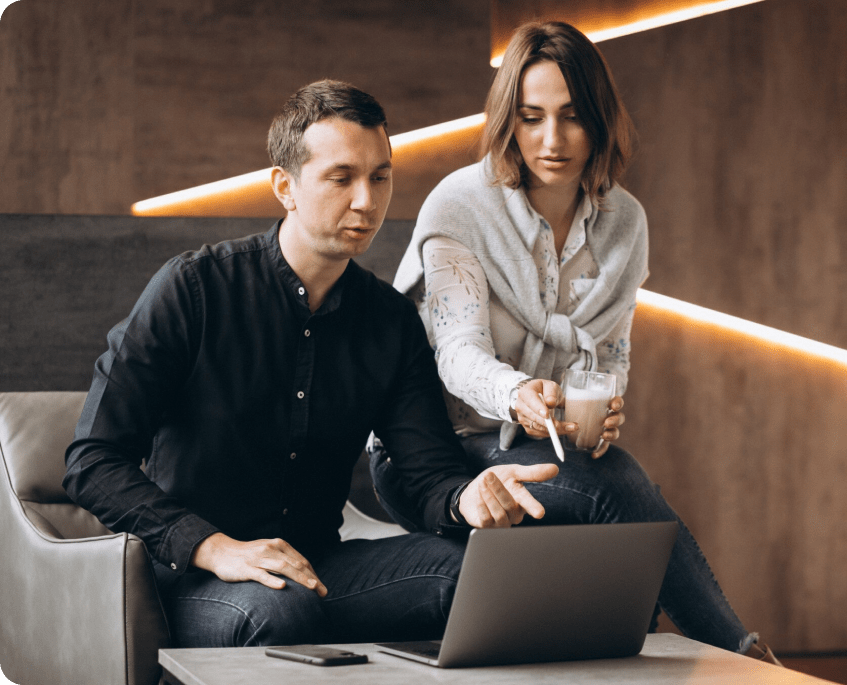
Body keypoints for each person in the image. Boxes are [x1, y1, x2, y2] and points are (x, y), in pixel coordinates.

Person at [63, 79, 558, 648]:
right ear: (285, 187)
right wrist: (212, 546)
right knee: (280, 611)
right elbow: (92, 461)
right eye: (341, 178)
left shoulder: (391, 321)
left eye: (380, 177)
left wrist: (464, 498)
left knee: (477, 576)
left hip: (318, 568)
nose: (366, 201)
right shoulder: (194, 289)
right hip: (198, 574)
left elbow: (427, 474)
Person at [377, 22, 780, 664]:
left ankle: (698, 664)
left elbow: (611, 356)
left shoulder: (626, 222)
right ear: (509, 120)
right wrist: (519, 396)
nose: (552, 140)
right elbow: (456, 352)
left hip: (548, 446)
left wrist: (605, 411)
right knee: (612, 487)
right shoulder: (459, 205)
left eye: (572, 116)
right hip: (432, 454)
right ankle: (741, 658)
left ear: (599, 119)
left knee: (610, 500)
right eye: (532, 117)